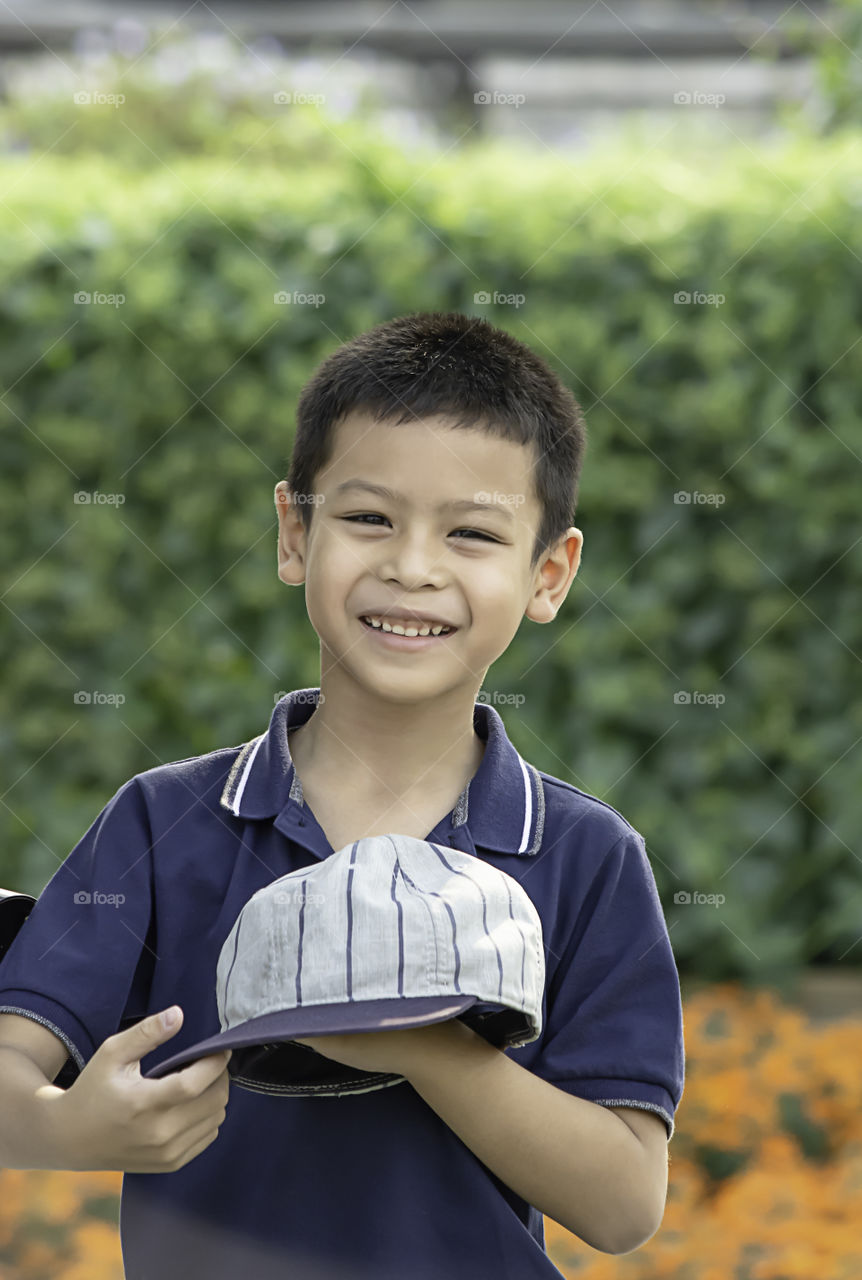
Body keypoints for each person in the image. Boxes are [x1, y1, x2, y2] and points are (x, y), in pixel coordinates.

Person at [0, 311, 684, 1279]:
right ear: (294, 533)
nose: (413, 566)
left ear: (548, 573)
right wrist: (64, 1127)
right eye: (368, 517)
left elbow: (622, 1203)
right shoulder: (165, 820)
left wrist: (421, 1042)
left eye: (473, 532)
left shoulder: (585, 853)